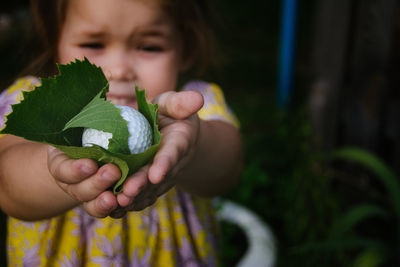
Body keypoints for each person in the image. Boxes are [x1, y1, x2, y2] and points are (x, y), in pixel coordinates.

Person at [0, 0, 243, 266]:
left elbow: (228, 169)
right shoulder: (33, 105)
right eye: (93, 44)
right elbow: (8, 184)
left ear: (185, 50)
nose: (119, 70)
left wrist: (193, 146)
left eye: (150, 46)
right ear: (55, 39)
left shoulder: (194, 105)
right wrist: (59, 169)